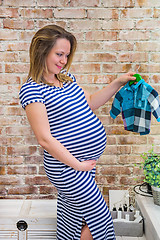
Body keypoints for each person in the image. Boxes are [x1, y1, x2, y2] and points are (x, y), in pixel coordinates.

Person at [19, 25, 136, 240]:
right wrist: (78, 165)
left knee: (72, 217)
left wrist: (117, 83)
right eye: (59, 54)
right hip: (66, 167)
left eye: (67, 54)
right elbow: (44, 139)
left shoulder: (65, 77)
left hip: (81, 162)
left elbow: (90, 102)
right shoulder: (32, 89)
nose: (64, 60)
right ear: (42, 51)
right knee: (100, 217)